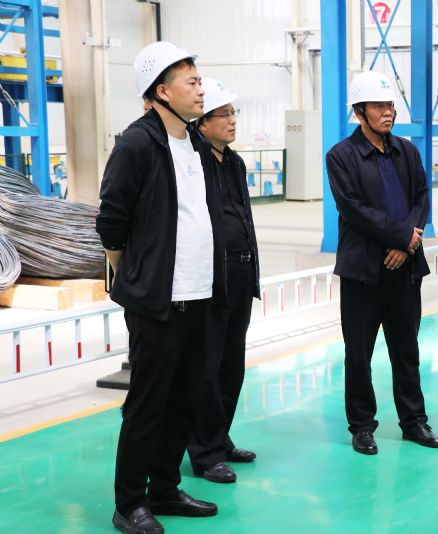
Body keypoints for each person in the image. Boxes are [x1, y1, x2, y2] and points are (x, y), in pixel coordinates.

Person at [96, 41, 225, 533]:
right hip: (157, 300)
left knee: (184, 398)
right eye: (191, 81)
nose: (201, 89)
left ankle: (165, 489)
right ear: (162, 91)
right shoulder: (137, 143)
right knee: (148, 404)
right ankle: (129, 502)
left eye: (199, 80)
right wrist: (136, 274)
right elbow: (112, 219)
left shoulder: (194, 142)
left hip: (198, 291)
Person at [326, 70, 438, 455]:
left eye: (390, 105)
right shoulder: (341, 156)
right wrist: (400, 237)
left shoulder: (407, 151)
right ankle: (362, 425)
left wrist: (408, 244)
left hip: (405, 269)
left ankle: (414, 421)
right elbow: (353, 209)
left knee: (407, 350)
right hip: (363, 271)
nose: (388, 112)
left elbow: (421, 198)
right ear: (360, 112)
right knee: (359, 354)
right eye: (378, 106)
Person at [186, 78, 260, 483]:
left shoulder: (234, 163)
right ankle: (204, 453)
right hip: (212, 277)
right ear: (202, 122)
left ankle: (220, 437)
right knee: (208, 369)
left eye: (234, 113)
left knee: (233, 366)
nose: (232, 120)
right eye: (224, 114)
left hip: (241, 271)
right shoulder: (192, 162)